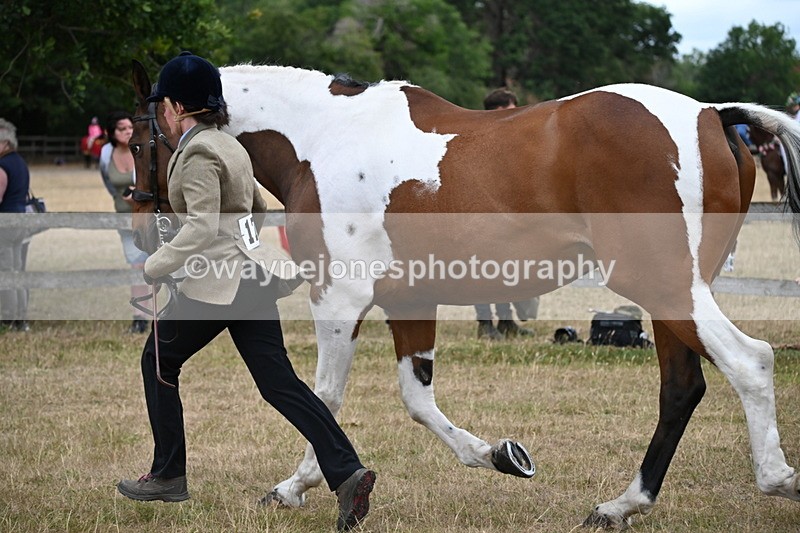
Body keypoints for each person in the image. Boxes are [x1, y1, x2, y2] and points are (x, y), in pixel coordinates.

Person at [116, 52, 375, 531]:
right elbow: (256, 209)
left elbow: (201, 227)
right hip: (252, 279)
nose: (164, 115)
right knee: (280, 385)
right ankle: (347, 472)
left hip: (218, 286)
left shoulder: (196, 152)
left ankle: (168, 474)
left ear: (176, 107)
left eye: (165, 107)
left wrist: (156, 264)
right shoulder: (231, 146)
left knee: (158, 361)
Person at [474, 88, 537, 340]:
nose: (516, 114)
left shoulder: (508, 137)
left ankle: (506, 321)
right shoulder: (481, 136)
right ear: (498, 110)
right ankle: (484, 324)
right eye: (511, 109)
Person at [99, 111, 150, 333]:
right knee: (136, 266)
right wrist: (121, 198)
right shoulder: (106, 154)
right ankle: (139, 318)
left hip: (149, 217)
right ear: (111, 132)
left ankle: (162, 316)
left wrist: (138, 197)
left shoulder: (143, 149)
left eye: (130, 127)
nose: (128, 132)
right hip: (125, 219)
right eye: (122, 129)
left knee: (153, 266)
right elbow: (108, 182)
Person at [0, 118, 31, 333]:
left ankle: (8, 319)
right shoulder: (19, 162)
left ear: (5, 143)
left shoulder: (2, 166)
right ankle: (21, 317)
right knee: (18, 271)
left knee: (5, 272)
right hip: (20, 221)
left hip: (5, 225)